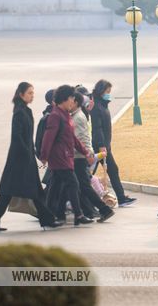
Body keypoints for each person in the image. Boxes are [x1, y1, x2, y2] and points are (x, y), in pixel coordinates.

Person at [0, 82, 60, 231]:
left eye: (33, 93)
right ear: (21, 94)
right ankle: (47, 219)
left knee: (26, 191)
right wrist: (27, 155)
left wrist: (32, 154)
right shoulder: (20, 112)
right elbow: (17, 137)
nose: (32, 96)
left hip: (26, 158)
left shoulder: (26, 110)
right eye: (29, 93)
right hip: (19, 160)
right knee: (21, 192)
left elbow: (28, 138)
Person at [40, 84, 96, 226]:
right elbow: (48, 138)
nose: (73, 101)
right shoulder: (55, 116)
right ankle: (79, 215)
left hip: (66, 156)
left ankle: (47, 216)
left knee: (55, 188)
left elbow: (73, 139)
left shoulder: (65, 115)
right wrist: (44, 156)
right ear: (64, 99)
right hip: (60, 158)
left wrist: (85, 152)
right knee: (73, 183)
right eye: (71, 98)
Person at [69, 90, 116, 223]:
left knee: (84, 186)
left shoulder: (78, 118)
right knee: (80, 186)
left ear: (76, 103)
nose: (69, 103)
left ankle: (104, 210)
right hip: (79, 156)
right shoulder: (76, 116)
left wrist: (87, 153)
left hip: (79, 157)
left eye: (71, 100)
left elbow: (82, 139)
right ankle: (87, 212)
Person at [90, 80, 136, 207]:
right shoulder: (96, 106)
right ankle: (120, 198)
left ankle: (121, 198)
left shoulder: (103, 104)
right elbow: (97, 128)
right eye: (107, 91)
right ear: (101, 91)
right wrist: (101, 145)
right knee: (90, 173)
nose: (109, 94)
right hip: (99, 146)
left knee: (109, 170)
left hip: (105, 145)